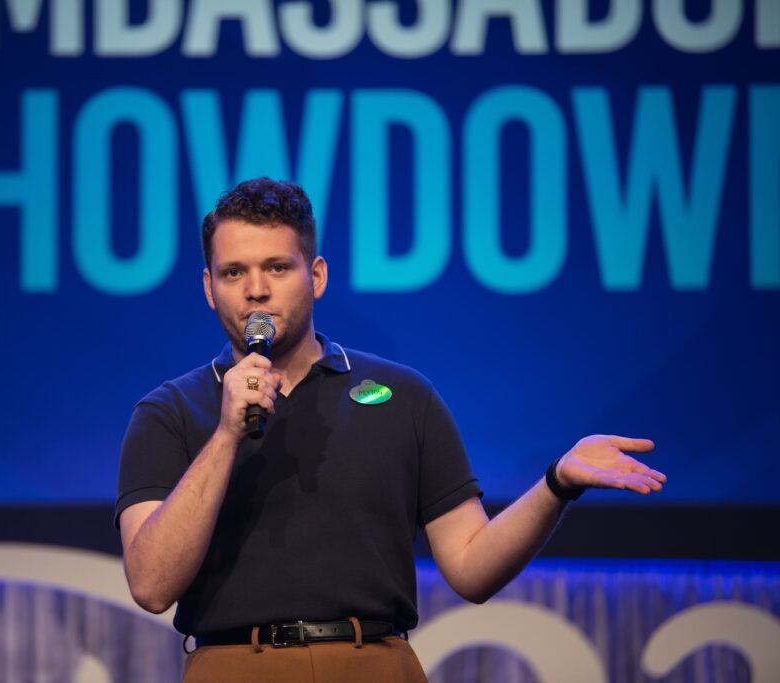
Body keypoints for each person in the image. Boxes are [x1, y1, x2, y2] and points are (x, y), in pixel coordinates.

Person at [115, 177, 666, 682]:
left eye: (278, 268)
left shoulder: (404, 396)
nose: (256, 290)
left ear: (318, 276)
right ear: (210, 288)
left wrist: (557, 483)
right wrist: (227, 435)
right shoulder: (170, 411)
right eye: (234, 273)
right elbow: (151, 585)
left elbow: (472, 567)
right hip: (232, 666)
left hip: (374, 663)